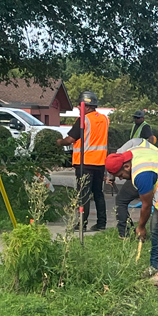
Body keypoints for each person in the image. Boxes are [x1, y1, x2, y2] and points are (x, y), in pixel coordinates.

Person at [105, 146, 158, 286]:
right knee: (156, 228)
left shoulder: (142, 174)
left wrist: (141, 227)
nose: (121, 178)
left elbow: (146, 204)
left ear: (126, 166)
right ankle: (155, 266)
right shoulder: (132, 154)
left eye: (120, 175)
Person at [56, 90, 109, 230]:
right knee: (98, 193)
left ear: (87, 106)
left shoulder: (83, 120)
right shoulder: (104, 119)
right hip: (100, 163)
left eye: (80, 105)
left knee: (83, 194)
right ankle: (101, 223)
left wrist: (59, 142)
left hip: (85, 163)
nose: (78, 108)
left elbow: (71, 140)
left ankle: (81, 224)